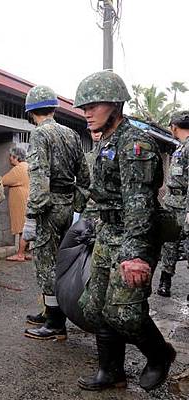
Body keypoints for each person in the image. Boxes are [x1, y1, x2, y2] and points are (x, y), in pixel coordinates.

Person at [75, 70, 175, 392]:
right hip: (108, 232)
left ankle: (160, 355)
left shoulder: (135, 143)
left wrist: (134, 256)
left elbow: (138, 204)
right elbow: (103, 192)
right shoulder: (107, 140)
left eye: (94, 105)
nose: (87, 112)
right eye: (84, 107)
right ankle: (111, 371)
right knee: (96, 308)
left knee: (125, 314)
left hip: (134, 236)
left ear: (116, 104)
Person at [23, 85, 90, 341]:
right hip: (67, 205)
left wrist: (32, 214)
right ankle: (51, 310)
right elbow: (84, 177)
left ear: (31, 111)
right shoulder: (72, 134)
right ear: (53, 107)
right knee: (62, 262)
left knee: (46, 264)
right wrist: (76, 206)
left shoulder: (40, 134)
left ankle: (54, 324)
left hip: (48, 208)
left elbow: (39, 177)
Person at [156, 111, 189, 297]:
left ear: (174, 127)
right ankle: (165, 282)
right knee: (169, 244)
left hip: (184, 204)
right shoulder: (180, 148)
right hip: (172, 203)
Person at [2, 147, 31, 262]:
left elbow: (3, 181)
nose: (9, 159)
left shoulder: (18, 169)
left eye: (11, 156)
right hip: (27, 200)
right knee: (27, 227)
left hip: (21, 203)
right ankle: (26, 252)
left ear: (16, 157)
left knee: (22, 229)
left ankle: (20, 254)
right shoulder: (28, 167)